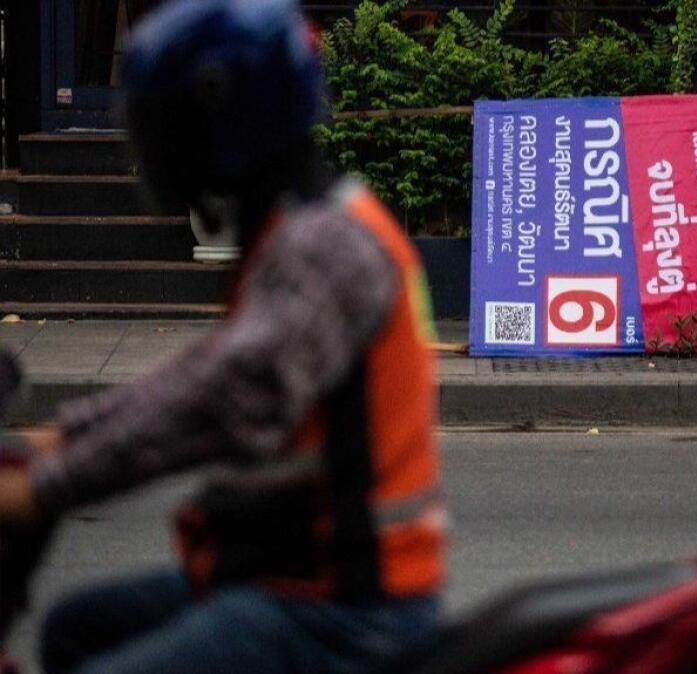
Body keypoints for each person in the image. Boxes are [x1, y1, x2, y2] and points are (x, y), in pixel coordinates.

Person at [0, 1, 445, 672]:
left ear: (223, 123)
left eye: (165, 129)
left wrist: (45, 483)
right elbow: (198, 375)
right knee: (74, 628)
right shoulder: (291, 229)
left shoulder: (324, 247)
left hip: (345, 610)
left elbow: (215, 400)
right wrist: (60, 436)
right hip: (290, 579)